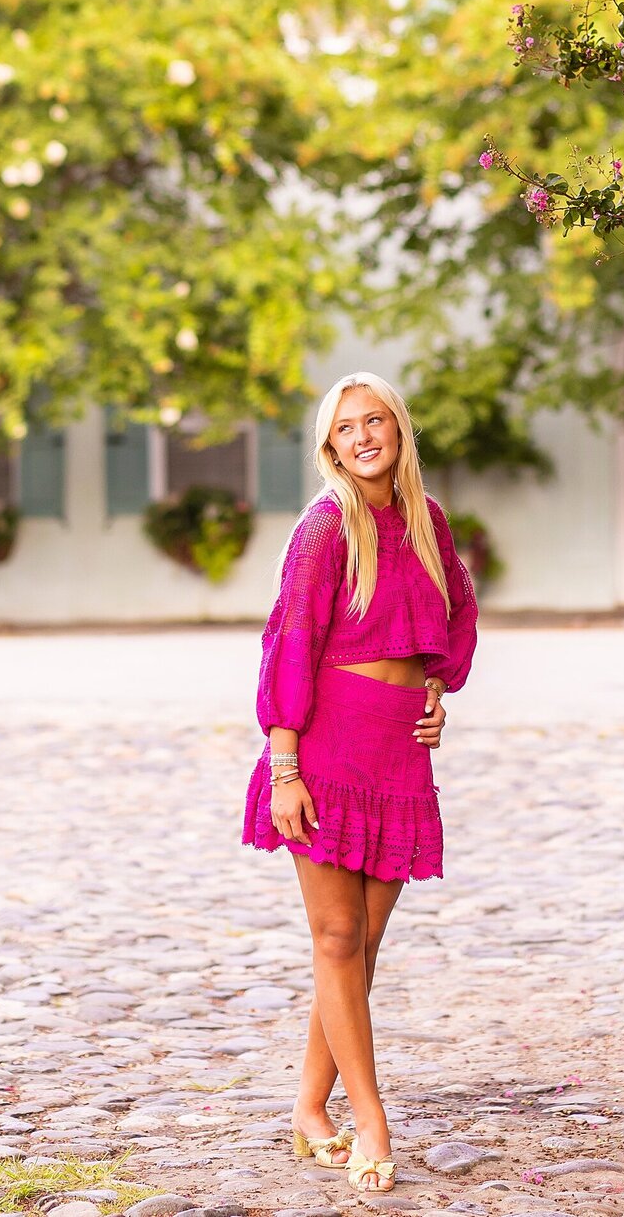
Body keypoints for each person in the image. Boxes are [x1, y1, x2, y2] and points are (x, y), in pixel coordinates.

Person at [242, 370, 480, 1194]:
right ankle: (371, 1117)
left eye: (375, 420)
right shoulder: (325, 526)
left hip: (396, 752)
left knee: (360, 945)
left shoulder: (426, 522)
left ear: (399, 430)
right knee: (338, 939)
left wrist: (436, 694)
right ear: (331, 446)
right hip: (326, 744)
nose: (364, 436)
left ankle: (311, 1109)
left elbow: (453, 618)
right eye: (348, 428)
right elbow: (292, 639)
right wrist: (284, 767)